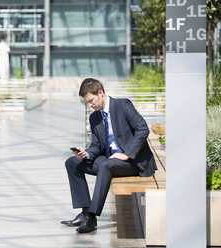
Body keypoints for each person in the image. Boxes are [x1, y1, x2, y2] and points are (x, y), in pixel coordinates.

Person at [61, 78, 157, 233]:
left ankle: (92, 218)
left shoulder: (122, 105)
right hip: (112, 161)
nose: (90, 105)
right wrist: (86, 153)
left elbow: (143, 129)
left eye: (91, 100)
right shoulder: (95, 117)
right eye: (87, 103)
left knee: (106, 164)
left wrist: (127, 154)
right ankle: (85, 212)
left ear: (100, 93)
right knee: (72, 163)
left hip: (133, 162)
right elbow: (96, 145)